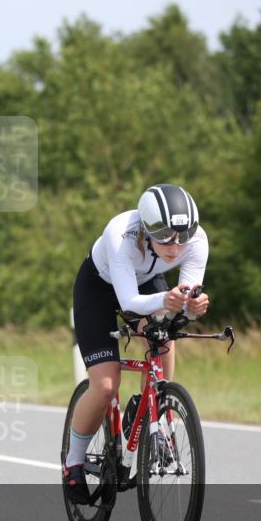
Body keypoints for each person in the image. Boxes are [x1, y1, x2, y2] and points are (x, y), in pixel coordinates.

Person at [65, 184, 211, 503]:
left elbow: (185, 298)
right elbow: (129, 301)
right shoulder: (120, 233)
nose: (174, 246)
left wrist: (192, 307)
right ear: (146, 228)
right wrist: (168, 299)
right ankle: (73, 461)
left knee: (163, 334)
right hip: (99, 290)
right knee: (105, 385)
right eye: (164, 236)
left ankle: (158, 421)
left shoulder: (197, 240)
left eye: (181, 236)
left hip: (147, 285)